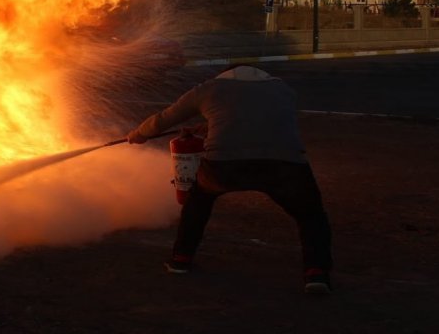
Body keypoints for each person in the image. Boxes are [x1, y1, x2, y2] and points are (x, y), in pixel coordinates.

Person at [127, 64, 333, 294]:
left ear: (224, 75)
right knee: (311, 215)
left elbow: (164, 118)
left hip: (224, 166)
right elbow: (255, 120)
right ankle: (317, 273)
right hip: (285, 165)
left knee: (198, 202)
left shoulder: (210, 88)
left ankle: (181, 259)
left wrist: (139, 134)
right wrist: (211, 126)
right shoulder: (283, 89)